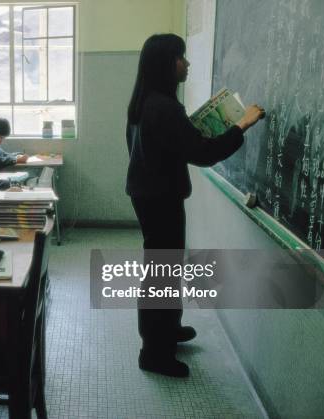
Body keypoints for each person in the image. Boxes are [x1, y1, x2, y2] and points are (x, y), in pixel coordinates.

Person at [125, 33, 265, 377]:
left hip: (149, 193)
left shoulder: (146, 101)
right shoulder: (164, 107)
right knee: (162, 275)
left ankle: (167, 332)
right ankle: (154, 353)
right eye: (181, 57)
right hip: (159, 197)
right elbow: (202, 153)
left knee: (163, 271)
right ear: (165, 63)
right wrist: (241, 124)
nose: (187, 64)